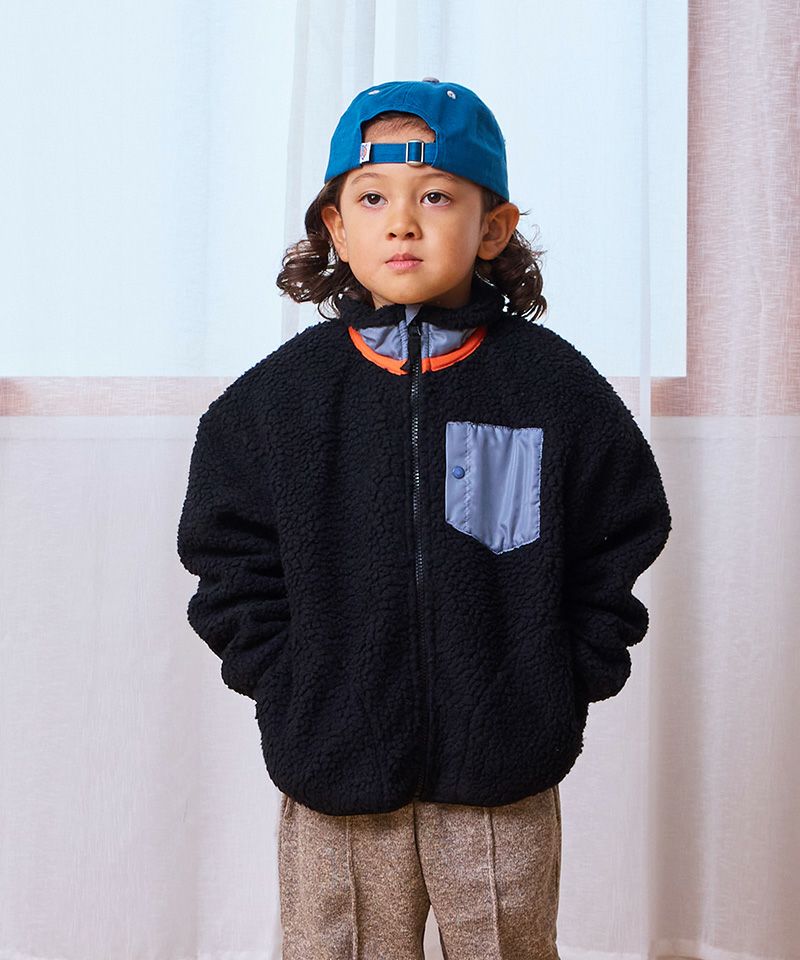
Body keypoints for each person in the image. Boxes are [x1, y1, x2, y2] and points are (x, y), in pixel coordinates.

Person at [177, 77, 672, 960]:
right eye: (373, 199)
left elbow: (620, 529)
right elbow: (227, 557)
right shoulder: (277, 404)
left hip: (504, 763)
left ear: (493, 228)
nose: (402, 223)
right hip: (333, 760)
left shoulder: (552, 389)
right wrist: (287, 681)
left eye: (436, 197)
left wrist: (565, 674)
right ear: (337, 229)